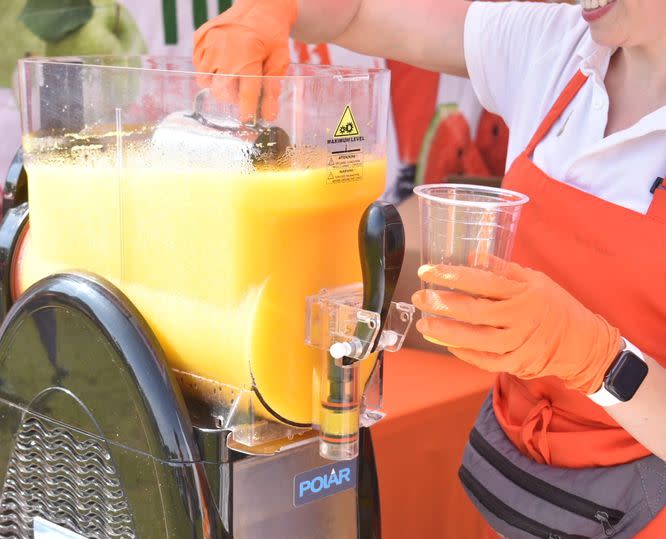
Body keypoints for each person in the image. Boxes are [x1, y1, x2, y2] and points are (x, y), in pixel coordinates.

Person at [193, 0, 666, 537]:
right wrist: (274, 9)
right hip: (522, 493)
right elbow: (354, 15)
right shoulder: (557, 46)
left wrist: (599, 362)